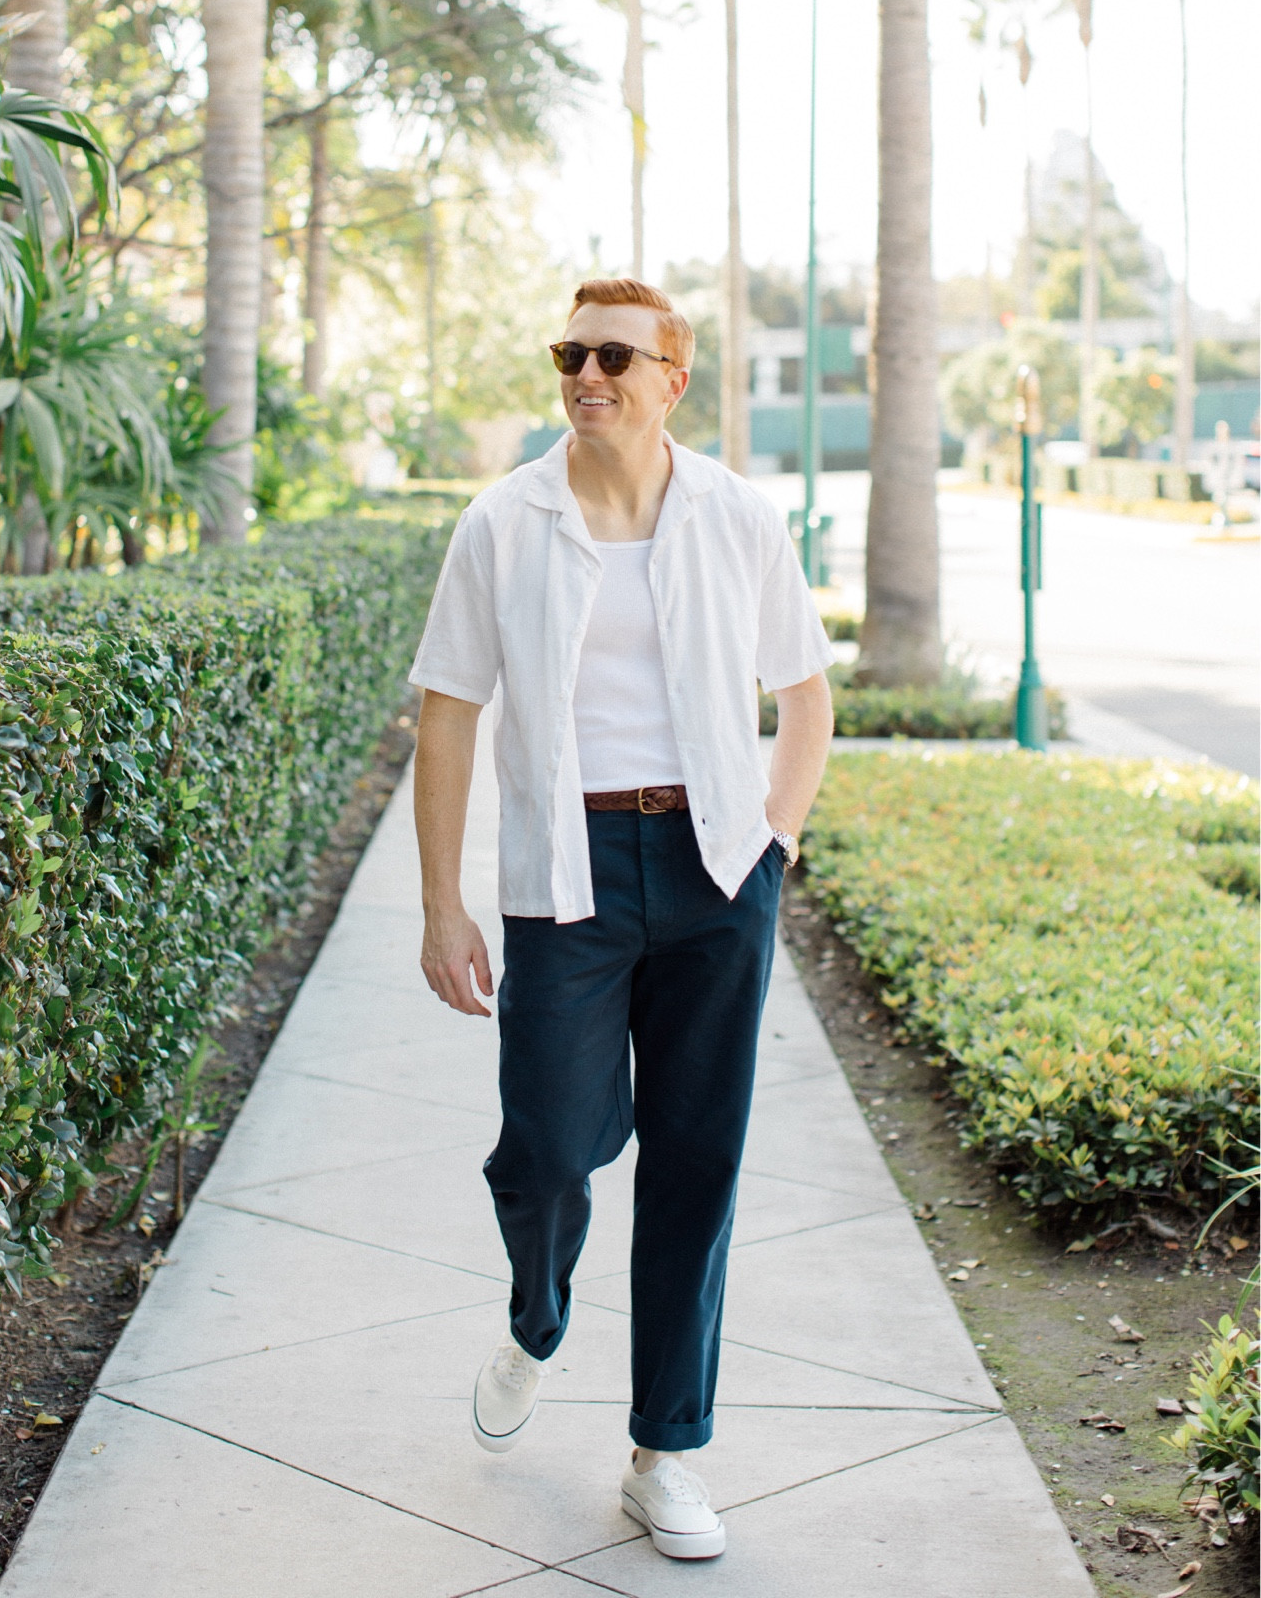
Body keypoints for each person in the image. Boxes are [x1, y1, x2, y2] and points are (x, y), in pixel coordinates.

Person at [409, 278, 834, 1561]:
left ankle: (667, 1449)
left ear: (672, 379)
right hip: (567, 869)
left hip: (714, 866)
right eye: (570, 352)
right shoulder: (503, 520)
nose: (587, 373)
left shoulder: (735, 515)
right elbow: (446, 710)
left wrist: (775, 839)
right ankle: (539, 1315)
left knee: (697, 1163)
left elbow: (805, 697)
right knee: (544, 1144)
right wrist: (443, 900)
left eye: (614, 355)